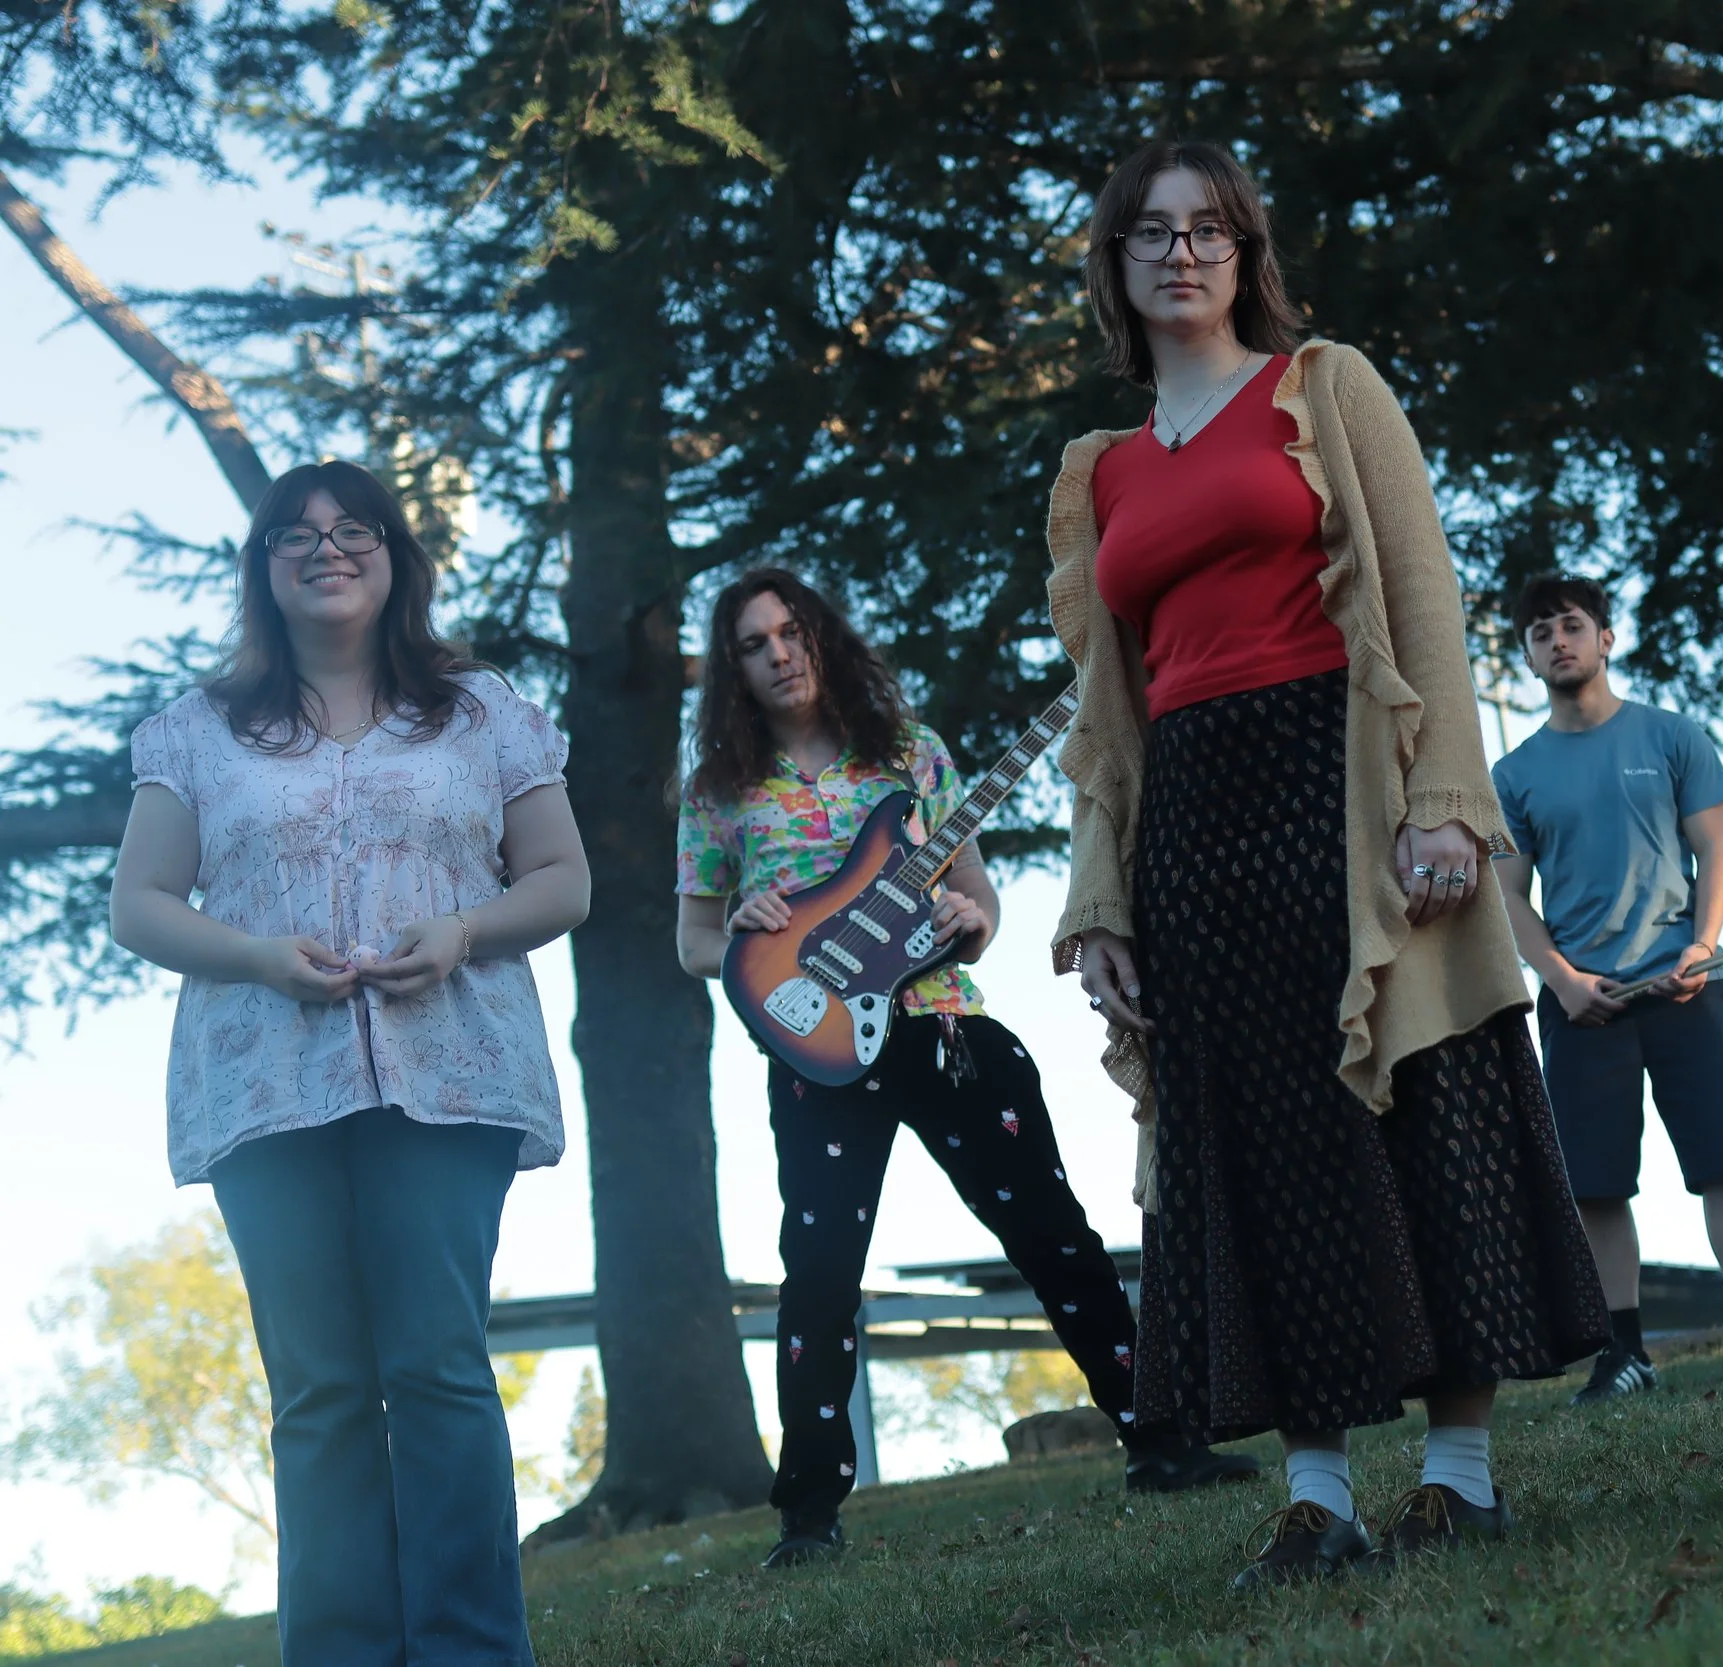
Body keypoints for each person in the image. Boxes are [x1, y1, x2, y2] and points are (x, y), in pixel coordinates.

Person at [1047, 138, 1606, 1591]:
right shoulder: (1099, 473)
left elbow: (1422, 593)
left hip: (1346, 780)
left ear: (1246, 252)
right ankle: (1316, 1497)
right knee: (1264, 1143)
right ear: (1115, 263)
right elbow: (1104, 715)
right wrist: (1101, 899)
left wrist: (1446, 801)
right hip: (1193, 822)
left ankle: (1459, 1475)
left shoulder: (1325, 385)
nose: (1182, 252)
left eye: (1209, 229)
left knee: (1420, 1100)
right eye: (1152, 232)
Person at [674, 568, 1255, 1571]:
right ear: (733, 669)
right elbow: (692, 939)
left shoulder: (912, 754)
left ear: (822, 636)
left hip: (940, 1023)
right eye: (753, 643)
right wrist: (737, 926)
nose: (779, 653)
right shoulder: (721, 792)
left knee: (1052, 1232)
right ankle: (808, 1515)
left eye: (792, 631)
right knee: (819, 1273)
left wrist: (967, 917)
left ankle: (1161, 1440)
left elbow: (978, 901)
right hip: (817, 1051)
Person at [111, 459, 590, 1666]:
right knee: (319, 1387)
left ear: (394, 555)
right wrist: (256, 955)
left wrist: (464, 929)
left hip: (452, 1071)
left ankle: (472, 1651)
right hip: (264, 1084)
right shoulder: (197, 730)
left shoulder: (482, 711)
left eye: (353, 528)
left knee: (437, 1365)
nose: (326, 548)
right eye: (296, 534)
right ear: (263, 567)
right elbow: (140, 902)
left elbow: (562, 879)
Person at [1491, 573, 1723, 1401]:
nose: (1558, 640)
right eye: (1541, 633)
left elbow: (1714, 850)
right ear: (1528, 656)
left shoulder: (1674, 736)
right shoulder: (1514, 773)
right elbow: (1507, 897)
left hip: (1687, 982)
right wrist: (1563, 981)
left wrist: (1704, 948)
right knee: (1597, 1182)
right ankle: (1624, 1354)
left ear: (1605, 637)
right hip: (1584, 1004)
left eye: (1573, 624)